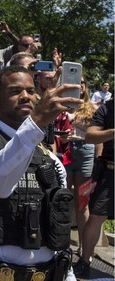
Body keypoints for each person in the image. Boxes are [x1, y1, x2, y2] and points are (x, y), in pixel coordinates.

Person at [0, 65, 82, 281]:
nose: (26, 97)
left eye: (31, 91)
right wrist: (35, 123)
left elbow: (58, 223)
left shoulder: (48, 155)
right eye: (15, 91)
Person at [74, 97, 114, 278]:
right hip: (110, 171)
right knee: (96, 217)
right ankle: (84, 261)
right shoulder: (107, 109)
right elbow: (90, 136)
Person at [63, 76, 96, 256]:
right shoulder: (62, 103)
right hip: (65, 150)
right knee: (63, 197)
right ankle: (61, 243)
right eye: (76, 81)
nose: (79, 85)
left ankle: (85, 248)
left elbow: (95, 132)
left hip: (85, 151)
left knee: (82, 202)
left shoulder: (93, 108)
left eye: (83, 81)